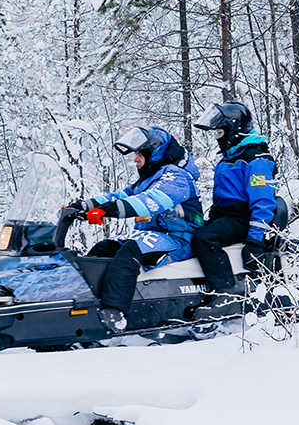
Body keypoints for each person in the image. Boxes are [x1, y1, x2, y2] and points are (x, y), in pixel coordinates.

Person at [59, 126, 202, 331]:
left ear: (155, 154)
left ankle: (114, 313)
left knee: (129, 251)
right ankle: (84, 303)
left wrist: (107, 210)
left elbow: (151, 201)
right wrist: (85, 205)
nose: (135, 160)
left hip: (178, 238)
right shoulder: (148, 179)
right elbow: (120, 196)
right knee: (103, 248)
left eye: (140, 155)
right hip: (151, 235)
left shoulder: (177, 177)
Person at [190, 102, 275, 308]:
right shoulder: (232, 156)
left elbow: (263, 200)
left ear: (234, 130)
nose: (218, 137)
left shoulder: (255, 158)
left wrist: (255, 240)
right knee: (191, 232)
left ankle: (224, 291)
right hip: (225, 215)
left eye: (220, 132)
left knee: (203, 239)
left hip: (243, 218)